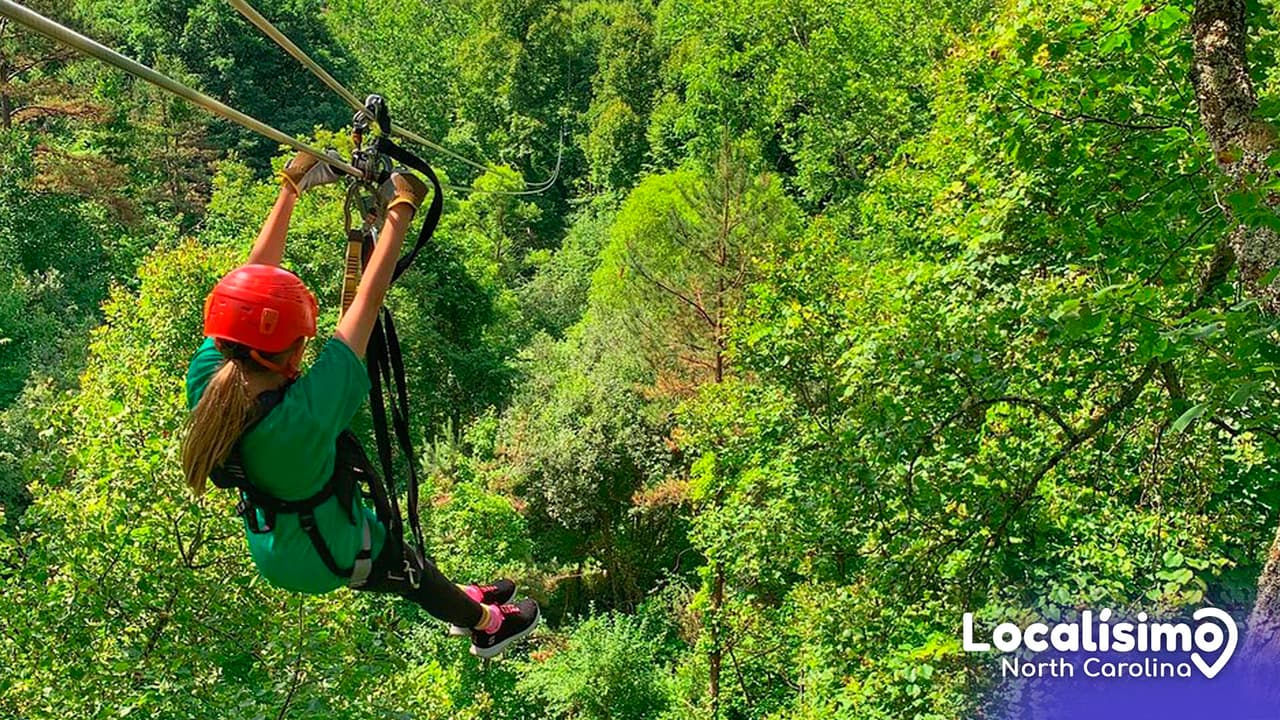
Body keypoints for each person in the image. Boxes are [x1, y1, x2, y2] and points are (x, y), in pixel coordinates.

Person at [180, 151, 539, 659]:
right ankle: (488, 623)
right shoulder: (300, 419)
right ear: (290, 351)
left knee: (398, 548)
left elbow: (250, 286)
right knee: (407, 570)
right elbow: (365, 306)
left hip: (276, 537)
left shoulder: (212, 375)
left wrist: (291, 189)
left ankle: (472, 600)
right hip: (320, 555)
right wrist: (400, 210)